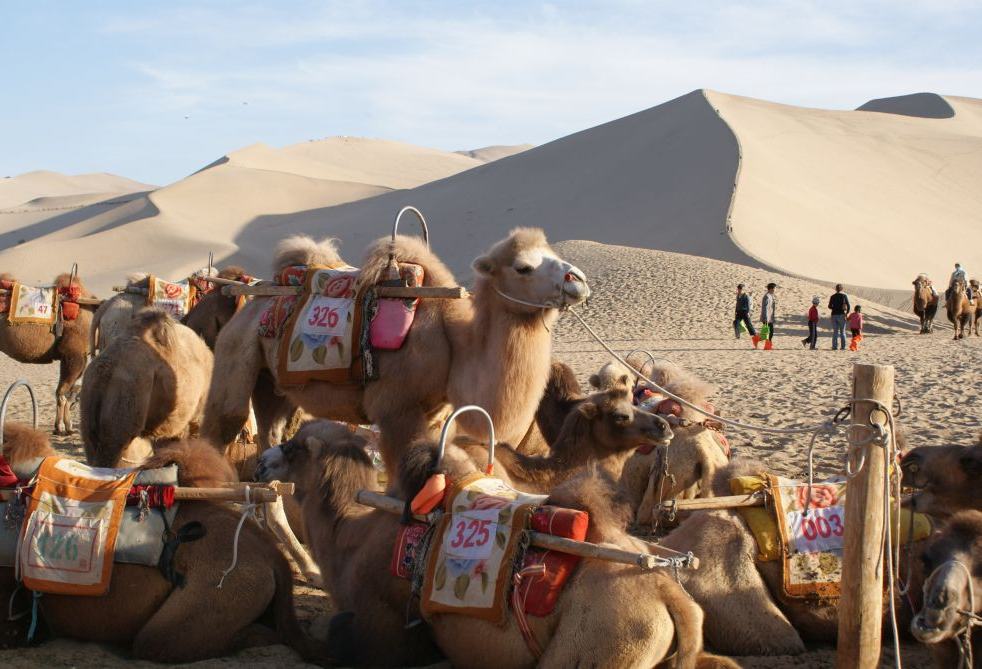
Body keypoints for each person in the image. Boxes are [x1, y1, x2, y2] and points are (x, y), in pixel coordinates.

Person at [753, 282, 777, 350]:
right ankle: (767, 345)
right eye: (774, 288)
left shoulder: (771, 296)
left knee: (768, 332)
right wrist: (766, 318)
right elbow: (765, 308)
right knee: (768, 332)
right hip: (766, 318)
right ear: (771, 289)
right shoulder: (766, 296)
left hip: (770, 317)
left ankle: (760, 342)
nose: (775, 290)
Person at [828, 284, 850, 351]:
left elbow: (829, 306)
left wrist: (834, 308)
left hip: (834, 315)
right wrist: (846, 313)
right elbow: (848, 305)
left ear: (836, 289)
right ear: (841, 289)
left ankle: (834, 347)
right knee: (842, 332)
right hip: (842, 315)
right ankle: (843, 347)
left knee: (835, 332)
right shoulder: (844, 296)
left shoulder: (832, 296)